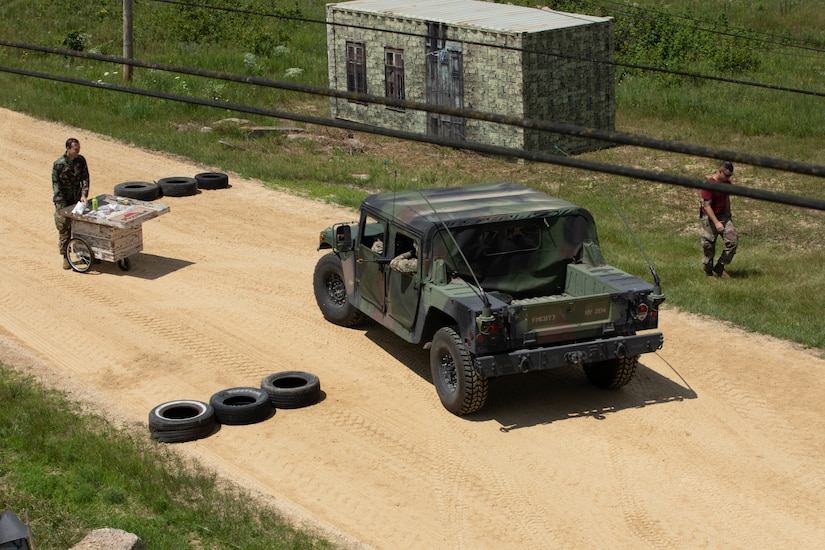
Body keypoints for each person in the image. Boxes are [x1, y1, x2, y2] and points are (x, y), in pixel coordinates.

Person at [52, 138, 90, 269]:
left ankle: (84, 253)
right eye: (75, 149)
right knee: (64, 228)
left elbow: (85, 178)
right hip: (63, 200)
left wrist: (84, 194)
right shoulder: (58, 165)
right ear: (68, 149)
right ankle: (65, 256)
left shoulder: (80, 160)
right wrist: (62, 209)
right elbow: (56, 188)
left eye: (78, 148)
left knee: (81, 227)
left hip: (77, 199)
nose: (78, 151)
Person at [700, 160, 738, 278]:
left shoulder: (727, 184)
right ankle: (708, 272)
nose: (728, 177)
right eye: (726, 175)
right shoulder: (709, 184)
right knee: (709, 245)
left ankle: (720, 266)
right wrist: (716, 223)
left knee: (732, 241)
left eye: (730, 175)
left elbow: (726, 199)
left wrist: (729, 215)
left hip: (724, 216)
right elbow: (707, 205)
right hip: (710, 219)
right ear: (720, 171)